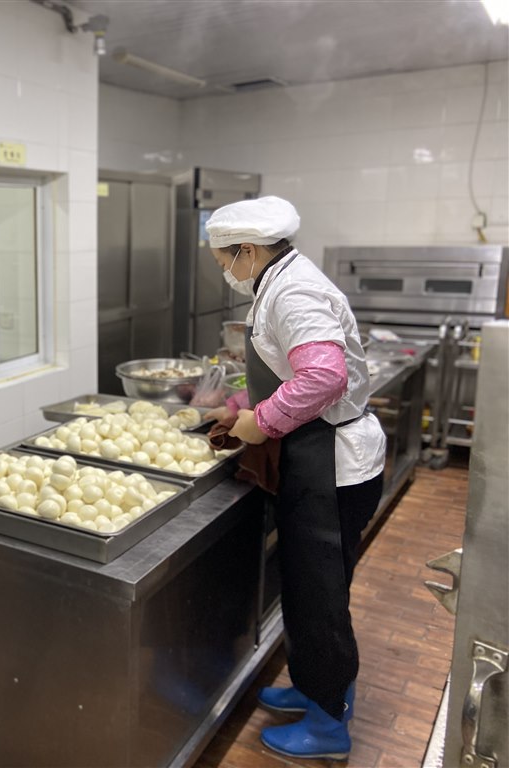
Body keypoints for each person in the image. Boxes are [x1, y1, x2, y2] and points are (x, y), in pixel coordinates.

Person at [203, 196, 385, 760]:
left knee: (320, 597)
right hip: (315, 457)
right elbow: (288, 370)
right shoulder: (280, 281)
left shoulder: (293, 291)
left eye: (224, 260)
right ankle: (314, 690)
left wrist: (262, 422)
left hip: (333, 466)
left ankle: (328, 727)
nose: (224, 270)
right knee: (307, 591)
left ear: (247, 250)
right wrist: (241, 404)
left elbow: (324, 377)